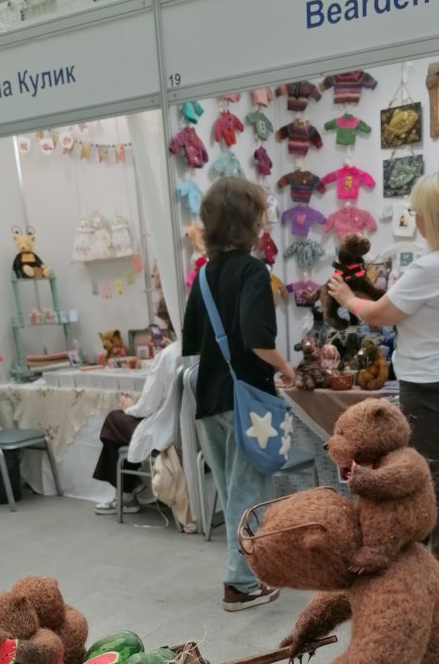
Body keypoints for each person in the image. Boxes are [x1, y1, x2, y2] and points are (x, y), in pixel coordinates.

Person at [327, 168, 439, 583]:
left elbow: (379, 314)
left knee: (428, 471)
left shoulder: (432, 267)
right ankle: (434, 550)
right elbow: (401, 304)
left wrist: (346, 296)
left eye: (415, 213)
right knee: (431, 465)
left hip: (428, 382)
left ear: (428, 217)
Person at [182, 178, 296, 611]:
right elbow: (257, 340)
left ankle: (246, 571)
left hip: (209, 400)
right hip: (249, 403)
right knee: (250, 494)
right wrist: (287, 369)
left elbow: (191, 341)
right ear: (250, 223)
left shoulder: (204, 276)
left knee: (233, 494)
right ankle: (241, 582)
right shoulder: (254, 272)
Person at [93, 340, 182, 515]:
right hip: (188, 430)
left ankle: (126, 494)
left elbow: (148, 405)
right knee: (117, 426)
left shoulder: (169, 355)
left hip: (166, 431)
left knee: (113, 420)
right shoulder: (207, 349)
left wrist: (128, 407)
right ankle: (127, 492)